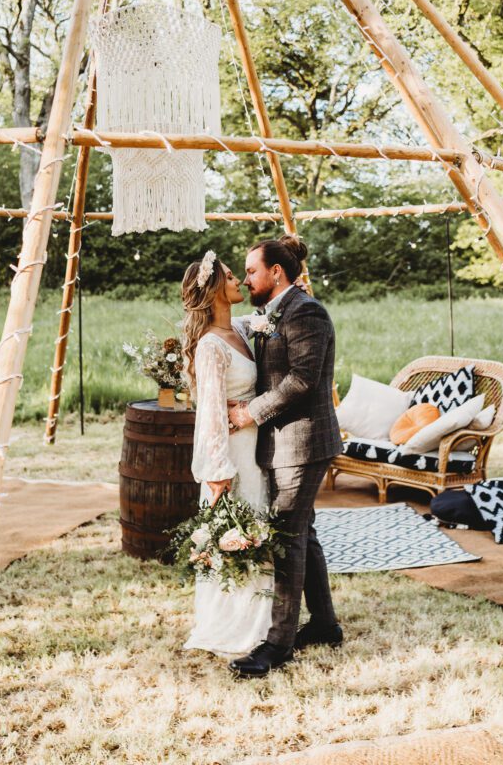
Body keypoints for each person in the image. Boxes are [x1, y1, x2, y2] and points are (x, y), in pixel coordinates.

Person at [228, 235, 343, 678]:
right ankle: (326, 625)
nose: (246, 278)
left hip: (304, 442)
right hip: (281, 444)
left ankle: (278, 644)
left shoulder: (306, 312)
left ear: (277, 273)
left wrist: (248, 413)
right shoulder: (271, 314)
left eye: (252, 270)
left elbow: (302, 382)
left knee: (285, 538)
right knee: (303, 534)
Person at [180, 250, 273, 656]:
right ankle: (233, 625)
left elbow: (272, 316)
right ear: (216, 289)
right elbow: (211, 414)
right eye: (233, 277)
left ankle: (264, 619)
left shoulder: (238, 327)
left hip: (257, 448)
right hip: (232, 454)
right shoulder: (210, 347)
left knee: (259, 526)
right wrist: (218, 471)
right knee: (236, 532)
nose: (240, 282)